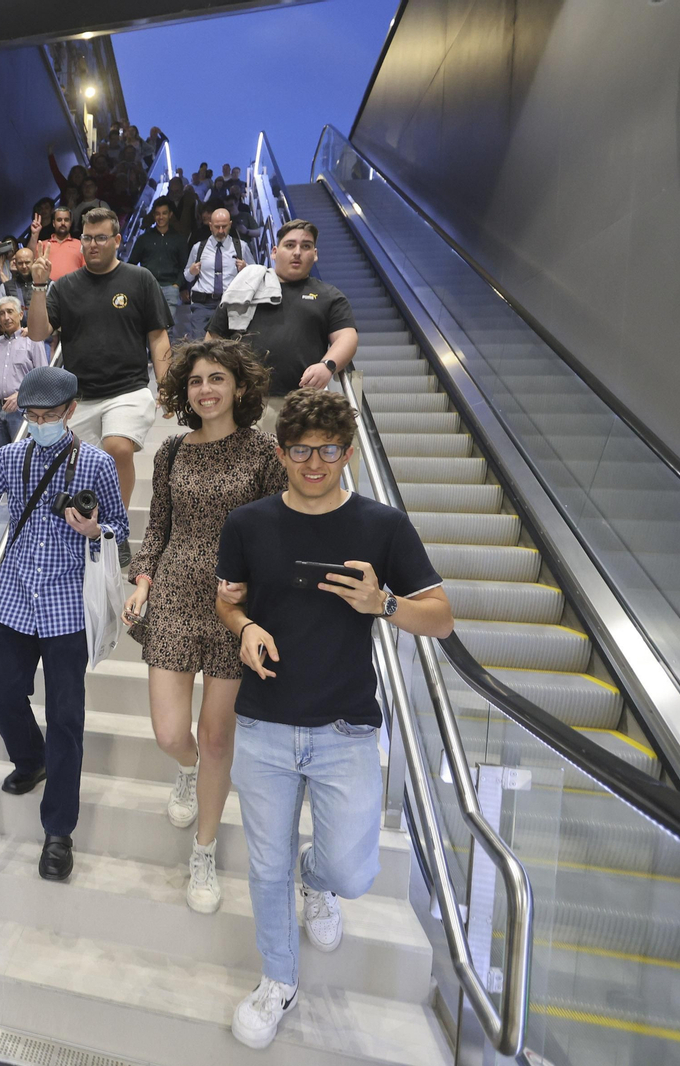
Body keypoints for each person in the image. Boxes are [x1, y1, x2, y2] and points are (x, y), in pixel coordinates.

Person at [214, 389, 453, 1049]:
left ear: (347, 453)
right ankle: (278, 979)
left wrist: (384, 603)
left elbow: (441, 616)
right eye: (299, 450)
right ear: (282, 453)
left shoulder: (383, 525)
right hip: (263, 724)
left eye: (327, 450)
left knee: (352, 870)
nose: (313, 463)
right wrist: (245, 625)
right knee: (266, 865)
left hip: (346, 728)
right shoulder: (249, 524)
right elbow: (227, 601)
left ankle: (316, 883)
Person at [123, 340, 285, 915]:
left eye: (217, 379)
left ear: (239, 387)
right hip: (172, 591)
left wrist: (253, 601)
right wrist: (141, 583)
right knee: (172, 733)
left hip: (231, 604)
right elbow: (158, 530)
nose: (206, 390)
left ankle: (205, 850)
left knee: (219, 736)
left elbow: (276, 532)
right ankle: (187, 770)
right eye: (195, 381)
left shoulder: (265, 453)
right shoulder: (170, 452)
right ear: (183, 391)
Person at [0, 365, 128, 882]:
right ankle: (31, 760)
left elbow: (119, 525)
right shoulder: (10, 456)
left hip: (66, 607)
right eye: (32, 416)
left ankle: (58, 832)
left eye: (50, 415)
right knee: (2, 694)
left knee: (67, 719)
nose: (41, 423)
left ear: (70, 411)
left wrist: (96, 529)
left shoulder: (95, 463)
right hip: (12, 599)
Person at [28, 207, 172, 539]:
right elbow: (38, 333)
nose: (93, 244)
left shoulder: (139, 279)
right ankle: (84, 532)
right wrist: (38, 285)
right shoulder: (63, 286)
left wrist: (166, 384)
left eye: (101, 238)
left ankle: (116, 529)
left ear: (117, 240)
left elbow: (158, 335)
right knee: (76, 472)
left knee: (118, 447)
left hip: (129, 390)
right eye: (87, 238)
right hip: (79, 398)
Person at [210, 220, 359, 433]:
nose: (297, 252)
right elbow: (213, 339)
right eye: (290, 245)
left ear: (315, 254)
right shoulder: (244, 289)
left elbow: (347, 338)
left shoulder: (329, 296)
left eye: (306, 246)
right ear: (274, 251)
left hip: (299, 404)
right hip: (241, 399)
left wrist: (327, 365)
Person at [0, 296, 49, 457]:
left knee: (23, 458)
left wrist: (21, 395)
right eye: (2, 313)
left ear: (20, 315)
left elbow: (42, 377)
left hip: (21, 409)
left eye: (10, 312)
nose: (6, 317)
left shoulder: (32, 340)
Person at [180, 208, 254, 342]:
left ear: (230, 224)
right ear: (210, 226)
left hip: (231, 304)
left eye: (224, 226)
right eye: (217, 227)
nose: (220, 231)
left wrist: (246, 268)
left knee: (229, 348)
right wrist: (191, 271)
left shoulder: (241, 247)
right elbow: (187, 276)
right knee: (200, 346)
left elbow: (255, 276)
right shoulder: (198, 248)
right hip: (203, 304)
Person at [127, 200, 192, 331]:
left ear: (170, 215)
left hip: (170, 288)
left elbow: (185, 266)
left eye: (164, 213)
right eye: (157, 214)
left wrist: (177, 284)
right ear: (153, 215)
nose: (160, 217)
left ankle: (164, 353)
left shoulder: (179, 239)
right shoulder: (144, 239)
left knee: (167, 331)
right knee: (147, 330)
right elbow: (131, 263)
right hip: (148, 288)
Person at [0, 242, 36, 318]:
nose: (24, 266)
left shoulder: (42, 283)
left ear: (33, 262)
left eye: (27, 262)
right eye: (20, 263)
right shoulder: (2, 286)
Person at [42, 206, 85, 281]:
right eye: (59, 220)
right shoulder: (42, 245)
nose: (63, 223)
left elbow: (86, 270)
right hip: (48, 290)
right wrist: (34, 234)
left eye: (66, 220)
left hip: (74, 289)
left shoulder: (81, 244)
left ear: (70, 223)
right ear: (53, 223)